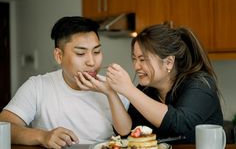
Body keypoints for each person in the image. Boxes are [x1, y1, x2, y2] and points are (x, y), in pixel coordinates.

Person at [77, 24, 223, 143]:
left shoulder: (200, 84)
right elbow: (125, 131)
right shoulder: (146, 90)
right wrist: (111, 92)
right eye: (134, 58)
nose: (136, 66)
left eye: (143, 59)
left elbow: (179, 123)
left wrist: (128, 89)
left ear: (169, 62)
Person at [0, 16, 129, 148]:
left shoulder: (112, 87)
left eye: (97, 51)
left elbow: (125, 131)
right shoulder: (37, 86)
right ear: (59, 56)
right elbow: (4, 127)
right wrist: (43, 136)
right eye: (80, 53)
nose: (92, 62)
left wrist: (110, 93)